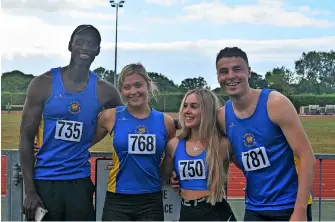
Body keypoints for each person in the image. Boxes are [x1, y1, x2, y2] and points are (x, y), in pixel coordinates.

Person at [171, 47, 316, 221]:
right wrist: (179, 174)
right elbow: (198, 122)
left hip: (289, 206)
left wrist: (299, 211)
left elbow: (307, 156)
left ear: (249, 72)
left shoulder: (275, 103)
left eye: (237, 69)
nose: (231, 76)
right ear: (218, 77)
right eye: (224, 71)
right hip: (254, 207)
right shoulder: (223, 116)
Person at [19, 24, 123, 221]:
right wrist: (29, 191)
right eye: (80, 42)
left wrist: (167, 123)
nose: (85, 47)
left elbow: (129, 122)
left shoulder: (105, 91)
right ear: (70, 46)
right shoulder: (43, 83)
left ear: (98, 51)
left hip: (79, 182)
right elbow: (25, 137)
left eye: (92, 44)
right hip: (45, 182)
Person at [92, 63, 176, 221]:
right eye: (127, 87)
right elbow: (82, 144)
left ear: (148, 84)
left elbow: (171, 157)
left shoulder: (166, 121)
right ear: (121, 91)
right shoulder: (110, 117)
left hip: (151, 199)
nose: (133, 92)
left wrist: (171, 174)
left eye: (138, 85)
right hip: (117, 199)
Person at [160, 88, 236, 221]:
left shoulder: (222, 144)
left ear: (207, 111)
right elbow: (161, 176)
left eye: (194, 107)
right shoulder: (174, 145)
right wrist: (172, 177)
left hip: (216, 212)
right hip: (186, 212)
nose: (187, 111)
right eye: (185, 106)